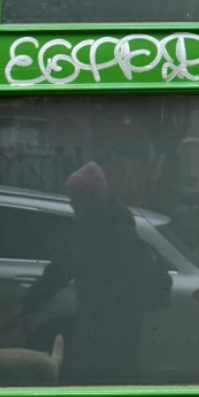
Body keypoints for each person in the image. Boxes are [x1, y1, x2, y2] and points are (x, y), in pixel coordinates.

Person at [19, 160, 172, 384]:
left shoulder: (102, 231)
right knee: (114, 376)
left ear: (88, 196)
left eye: (75, 196)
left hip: (107, 323)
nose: (71, 202)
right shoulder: (108, 225)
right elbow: (62, 269)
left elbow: (61, 270)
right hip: (110, 321)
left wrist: (31, 303)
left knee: (104, 377)